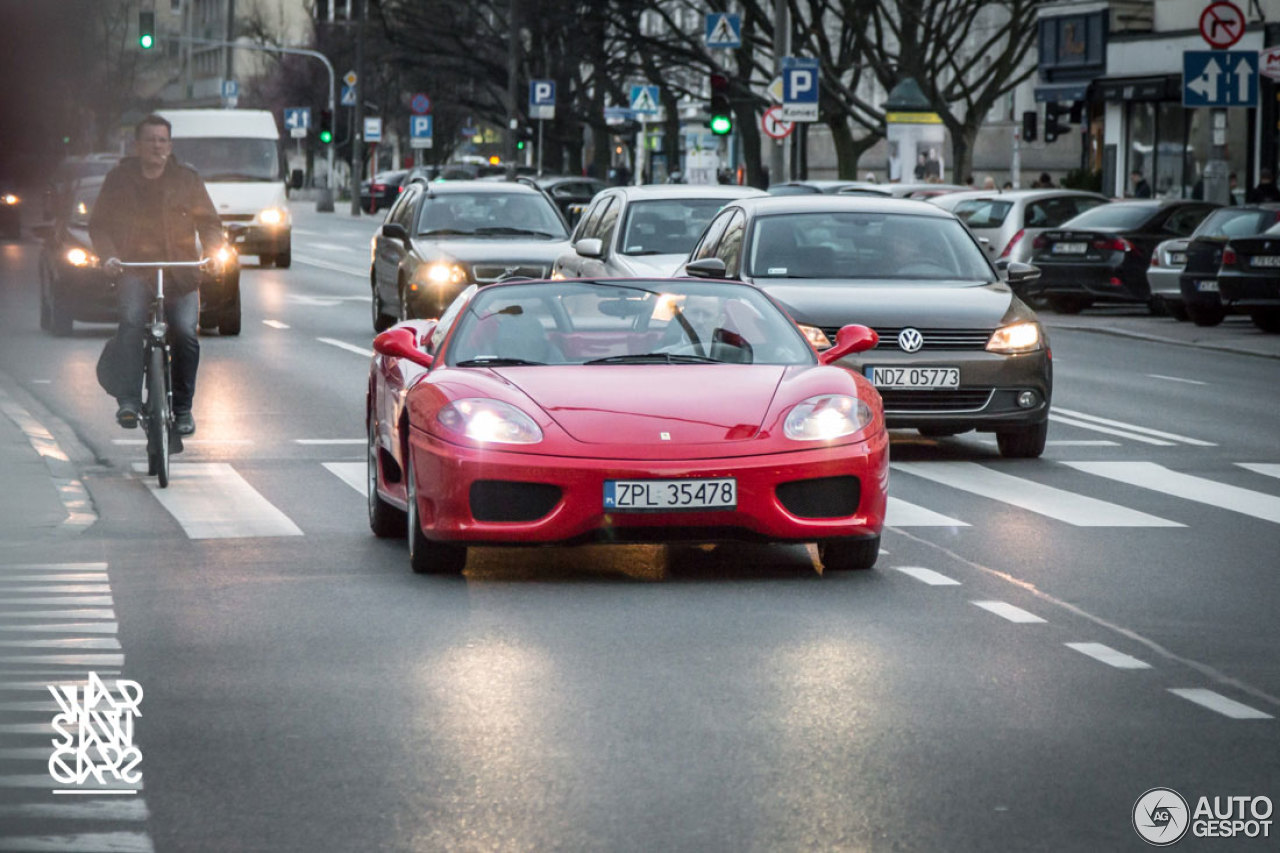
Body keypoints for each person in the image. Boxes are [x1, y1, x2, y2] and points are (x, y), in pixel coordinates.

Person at [90, 114, 226, 436]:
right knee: (132, 324)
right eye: (150, 140)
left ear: (170, 145)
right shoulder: (119, 179)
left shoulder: (187, 180)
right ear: (137, 145)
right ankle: (128, 400)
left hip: (180, 273)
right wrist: (108, 255)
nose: (157, 146)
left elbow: (209, 223)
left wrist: (211, 253)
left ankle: (182, 409)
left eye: (162, 140)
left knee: (184, 332)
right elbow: (100, 224)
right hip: (134, 269)